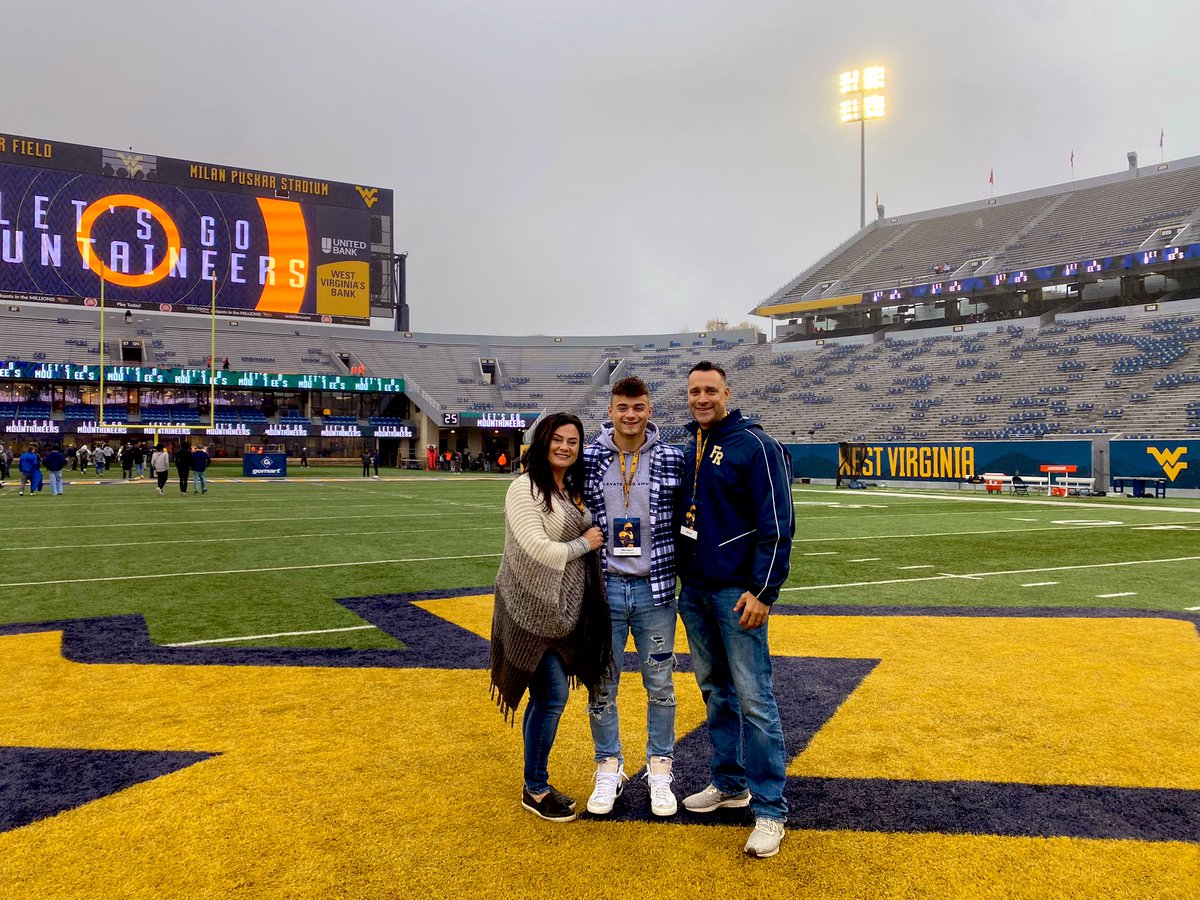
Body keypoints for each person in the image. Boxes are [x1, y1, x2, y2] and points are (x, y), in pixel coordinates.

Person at [675, 361, 795, 859]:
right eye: (694, 391)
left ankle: (771, 809)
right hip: (696, 590)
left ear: (728, 392)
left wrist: (763, 592)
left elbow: (779, 524)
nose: (702, 398)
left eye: (710, 390)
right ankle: (729, 783)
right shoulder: (691, 446)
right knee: (715, 693)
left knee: (755, 700)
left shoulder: (757, 445)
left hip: (736, 594)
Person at [489, 412, 611, 824]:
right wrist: (584, 542)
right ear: (542, 442)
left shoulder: (569, 489)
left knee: (545, 697)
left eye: (572, 441)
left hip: (559, 612)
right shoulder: (524, 487)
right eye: (557, 439)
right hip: (527, 610)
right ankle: (536, 788)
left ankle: (534, 782)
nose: (564, 447)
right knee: (553, 696)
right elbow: (538, 548)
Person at [581, 375, 685, 817]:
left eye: (638, 407)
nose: (630, 415)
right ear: (610, 410)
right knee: (602, 684)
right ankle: (609, 767)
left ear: (650, 410)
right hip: (604, 590)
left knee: (660, 684)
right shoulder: (588, 458)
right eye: (622, 407)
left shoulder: (672, 458)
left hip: (654, 588)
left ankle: (659, 769)